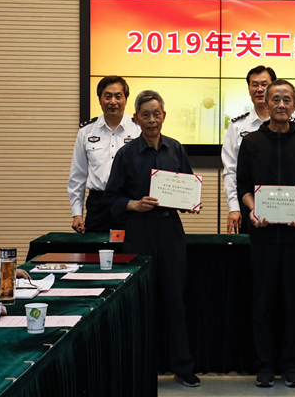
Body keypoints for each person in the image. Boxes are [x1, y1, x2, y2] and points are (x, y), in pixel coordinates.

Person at [103, 90, 200, 387]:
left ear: (164, 115)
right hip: (139, 232)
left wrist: (191, 202)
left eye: (156, 114)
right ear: (136, 118)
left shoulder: (176, 148)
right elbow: (111, 198)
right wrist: (134, 204)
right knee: (141, 303)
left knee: (176, 300)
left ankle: (182, 366)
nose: (152, 120)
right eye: (145, 115)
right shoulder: (126, 154)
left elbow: (188, 186)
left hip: (171, 232)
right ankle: (139, 366)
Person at [237, 79, 295, 388]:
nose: (281, 104)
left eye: (287, 99)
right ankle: (264, 365)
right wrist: (252, 209)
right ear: (266, 103)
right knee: (262, 303)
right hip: (262, 235)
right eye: (276, 99)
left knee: (293, 302)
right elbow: (243, 185)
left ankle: (291, 364)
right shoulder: (251, 142)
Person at [68, 76, 140, 233]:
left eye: (118, 96)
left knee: (131, 247)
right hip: (98, 206)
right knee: (95, 248)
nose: (113, 102)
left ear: (125, 100)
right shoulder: (86, 131)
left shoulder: (138, 129)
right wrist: (77, 213)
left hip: (130, 203)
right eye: (108, 96)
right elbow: (78, 175)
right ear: (99, 100)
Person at [222, 65, 276, 234]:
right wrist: (234, 208)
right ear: (249, 89)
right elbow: (230, 170)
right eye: (254, 85)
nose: (259, 89)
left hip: (282, 201)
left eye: (264, 84)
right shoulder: (237, 126)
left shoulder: (287, 125)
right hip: (248, 202)